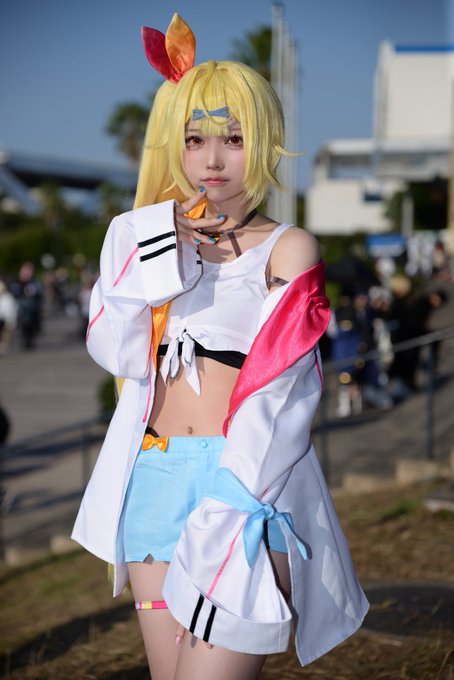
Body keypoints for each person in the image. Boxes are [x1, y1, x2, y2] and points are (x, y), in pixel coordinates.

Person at [72, 13, 368, 680]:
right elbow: (114, 348)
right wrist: (156, 242)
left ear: (262, 142)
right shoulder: (146, 239)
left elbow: (286, 389)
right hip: (152, 477)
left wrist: (230, 500)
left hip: (241, 490)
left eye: (234, 139)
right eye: (195, 139)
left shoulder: (288, 248)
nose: (212, 159)